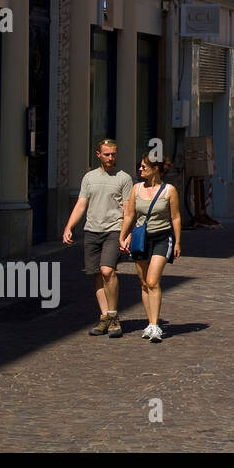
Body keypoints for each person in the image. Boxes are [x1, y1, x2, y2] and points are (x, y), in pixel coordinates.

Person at [62, 139, 134, 338]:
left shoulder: (124, 178)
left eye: (114, 154)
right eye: (107, 154)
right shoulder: (89, 177)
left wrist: (127, 234)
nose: (111, 158)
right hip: (92, 230)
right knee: (96, 274)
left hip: (113, 230)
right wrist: (69, 226)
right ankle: (104, 317)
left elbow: (128, 209)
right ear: (98, 155)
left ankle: (113, 316)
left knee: (107, 270)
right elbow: (81, 204)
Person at [118, 151, 183, 343]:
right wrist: (123, 237)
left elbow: (176, 217)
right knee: (144, 283)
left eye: (144, 167)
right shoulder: (136, 189)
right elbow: (129, 215)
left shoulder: (169, 190)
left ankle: (155, 326)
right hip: (141, 239)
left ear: (155, 170)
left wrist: (178, 241)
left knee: (153, 281)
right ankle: (150, 323)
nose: (140, 169)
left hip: (162, 238)